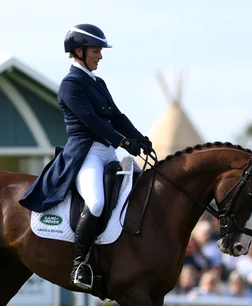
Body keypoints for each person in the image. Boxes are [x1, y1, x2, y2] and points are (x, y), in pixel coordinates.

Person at [19, 24, 153, 290]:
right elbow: (90, 120)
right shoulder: (70, 85)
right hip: (86, 154)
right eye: (96, 51)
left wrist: (141, 138)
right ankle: (80, 264)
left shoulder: (97, 82)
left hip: (108, 152)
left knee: (142, 190)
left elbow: (116, 117)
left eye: (100, 51)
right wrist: (122, 141)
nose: (100, 56)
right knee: (96, 203)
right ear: (79, 52)